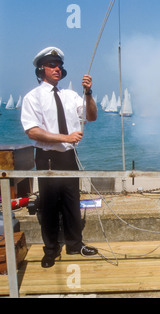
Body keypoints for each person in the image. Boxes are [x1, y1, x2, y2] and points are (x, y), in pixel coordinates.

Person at [21, 47, 98, 268]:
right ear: (41, 69)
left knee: (72, 202)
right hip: (47, 158)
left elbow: (91, 117)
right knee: (49, 205)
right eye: (52, 65)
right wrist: (66, 136)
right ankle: (51, 249)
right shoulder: (32, 98)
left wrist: (89, 92)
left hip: (69, 157)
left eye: (59, 65)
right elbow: (32, 131)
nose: (57, 68)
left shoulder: (71, 95)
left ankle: (75, 244)